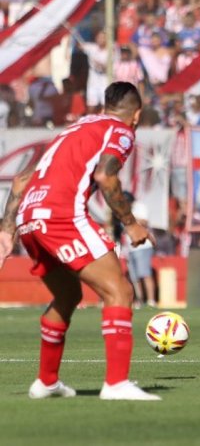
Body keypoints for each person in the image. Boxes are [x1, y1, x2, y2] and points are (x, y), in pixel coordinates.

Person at [0, 82, 161, 400]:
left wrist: (6, 230)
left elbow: (21, 179)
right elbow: (105, 175)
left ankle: (46, 382)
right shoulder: (120, 130)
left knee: (68, 295)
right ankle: (116, 384)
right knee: (120, 291)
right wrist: (131, 225)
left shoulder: (76, 128)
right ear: (136, 115)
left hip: (30, 218)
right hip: (61, 215)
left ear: (104, 106)